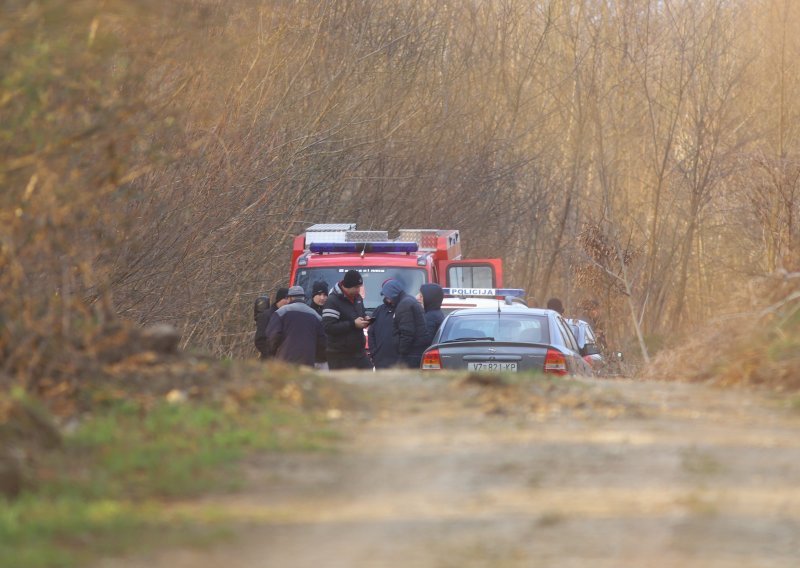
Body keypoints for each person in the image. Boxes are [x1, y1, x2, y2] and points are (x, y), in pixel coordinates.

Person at [322, 270, 372, 370]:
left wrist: (365, 319)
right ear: (347, 286)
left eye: (360, 287)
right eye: (356, 287)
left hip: (359, 352)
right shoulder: (332, 301)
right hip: (340, 355)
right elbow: (328, 327)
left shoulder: (358, 298)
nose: (359, 290)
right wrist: (353, 324)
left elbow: (361, 314)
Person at [266, 286, 326, 367]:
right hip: (307, 363)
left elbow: (272, 337)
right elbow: (322, 343)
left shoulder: (281, 312)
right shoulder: (316, 315)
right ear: (304, 298)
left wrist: (271, 354)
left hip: (284, 361)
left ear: (289, 298)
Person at [381, 279, 428, 368]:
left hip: (411, 354)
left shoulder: (404, 305)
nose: (388, 301)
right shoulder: (409, 300)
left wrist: (401, 353)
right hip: (416, 351)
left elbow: (407, 333)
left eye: (387, 297)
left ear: (392, 294)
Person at [368, 280, 400, 369]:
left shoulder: (403, 309)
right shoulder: (378, 310)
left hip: (399, 362)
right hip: (380, 361)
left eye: (388, 293)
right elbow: (371, 333)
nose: (386, 296)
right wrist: (374, 353)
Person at [254, 287, 289, 360]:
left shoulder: (289, 316)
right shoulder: (266, 315)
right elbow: (260, 340)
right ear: (279, 299)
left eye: (289, 299)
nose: (288, 301)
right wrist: (271, 356)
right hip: (269, 361)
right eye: (285, 298)